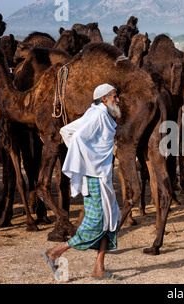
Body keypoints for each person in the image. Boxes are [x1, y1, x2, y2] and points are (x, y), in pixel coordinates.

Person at [42, 83, 122, 280]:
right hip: (96, 178)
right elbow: (76, 137)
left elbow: (66, 131)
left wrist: (88, 159)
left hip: (102, 177)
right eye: (114, 96)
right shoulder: (98, 115)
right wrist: (88, 162)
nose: (118, 99)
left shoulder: (97, 113)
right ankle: (56, 251)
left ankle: (99, 268)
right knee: (95, 223)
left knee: (109, 221)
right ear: (104, 99)